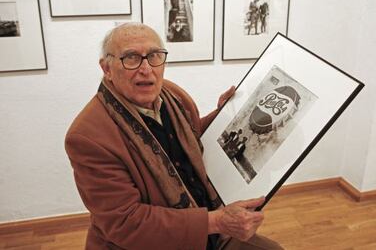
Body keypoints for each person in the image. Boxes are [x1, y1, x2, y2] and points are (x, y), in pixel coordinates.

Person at [65, 23, 283, 249]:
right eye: (131, 58)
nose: (146, 69)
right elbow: (126, 223)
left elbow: (191, 137)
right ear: (107, 68)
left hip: (209, 226)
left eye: (154, 56)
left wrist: (225, 116)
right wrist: (217, 221)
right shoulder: (87, 137)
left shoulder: (171, 95)